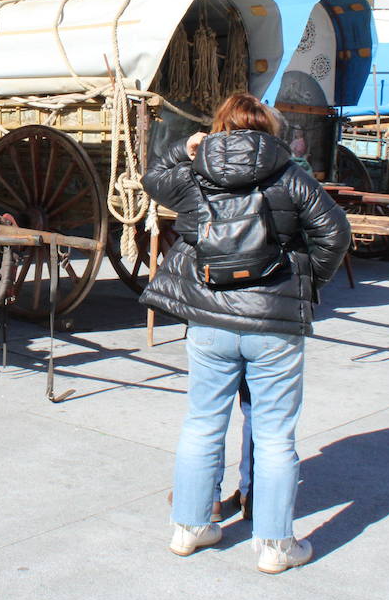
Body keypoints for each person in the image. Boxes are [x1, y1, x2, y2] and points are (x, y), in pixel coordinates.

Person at [140, 93, 350, 573]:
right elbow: (334, 233)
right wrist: (306, 278)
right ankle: (275, 547)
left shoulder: (197, 173)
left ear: (219, 128)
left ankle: (190, 528)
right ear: (269, 132)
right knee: (276, 433)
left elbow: (153, 180)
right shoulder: (291, 175)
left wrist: (184, 149)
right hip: (273, 325)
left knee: (202, 421)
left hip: (210, 319)